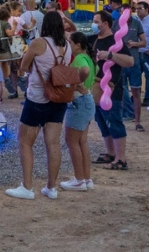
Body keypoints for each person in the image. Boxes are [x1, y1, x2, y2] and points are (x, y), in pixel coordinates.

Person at [7, 11, 69, 200]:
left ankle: (27, 186)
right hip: (59, 98)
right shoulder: (66, 45)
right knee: (53, 143)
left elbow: (23, 67)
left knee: (25, 141)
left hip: (38, 97)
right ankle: (51, 187)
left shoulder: (39, 43)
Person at [91, 10, 133, 170]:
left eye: (96, 21)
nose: (93, 24)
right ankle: (110, 152)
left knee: (114, 122)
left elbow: (130, 61)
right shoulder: (93, 40)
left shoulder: (116, 41)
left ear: (106, 23)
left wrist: (110, 55)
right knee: (102, 122)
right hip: (95, 88)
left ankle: (121, 158)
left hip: (111, 89)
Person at [58, 32, 96, 191]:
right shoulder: (88, 57)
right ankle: (86, 178)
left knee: (72, 141)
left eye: (70, 43)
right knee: (82, 141)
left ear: (77, 45)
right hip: (87, 100)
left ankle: (79, 179)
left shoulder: (80, 59)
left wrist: (75, 82)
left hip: (79, 101)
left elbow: (85, 71)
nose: (69, 46)